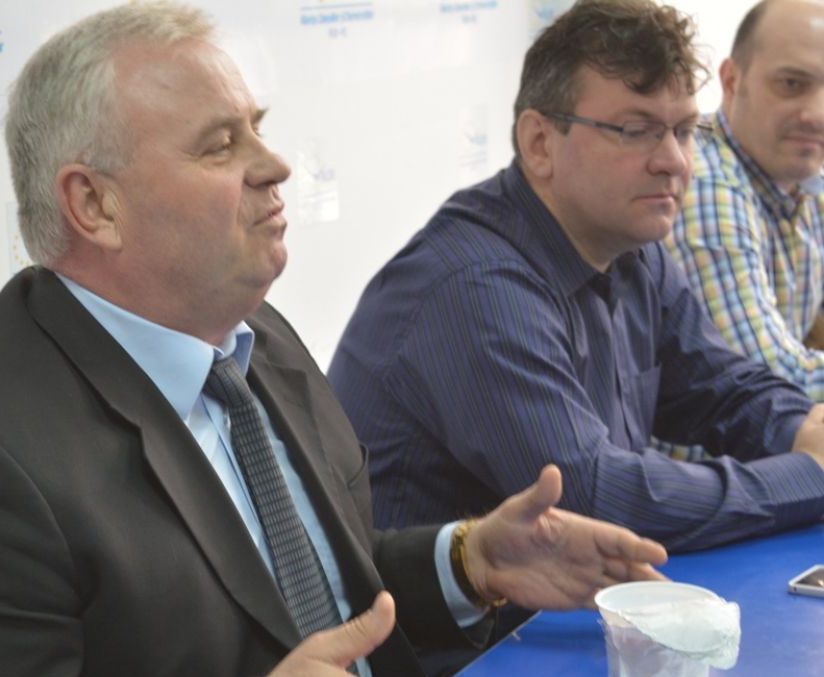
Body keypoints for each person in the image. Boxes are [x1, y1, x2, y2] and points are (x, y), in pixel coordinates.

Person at [0, 5, 668, 677]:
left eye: (257, 129)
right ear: (94, 205)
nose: (274, 165)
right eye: (220, 145)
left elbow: (309, 595)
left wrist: (469, 563)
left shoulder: (251, 336)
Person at [329, 0, 824, 553]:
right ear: (540, 143)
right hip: (433, 611)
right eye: (636, 130)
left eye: (686, 131)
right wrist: (808, 476)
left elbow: (722, 392)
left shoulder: (633, 248)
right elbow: (592, 499)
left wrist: (805, 429)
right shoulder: (477, 285)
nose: (675, 161)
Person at [668, 0, 824, 399]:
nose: (817, 114)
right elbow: (773, 383)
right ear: (732, 81)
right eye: (792, 84)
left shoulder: (804, 184)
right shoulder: (705, 185)